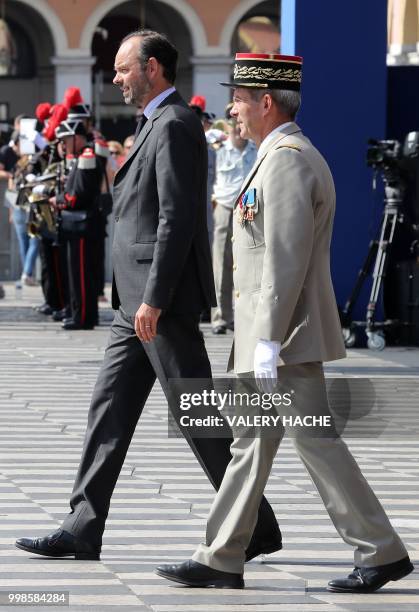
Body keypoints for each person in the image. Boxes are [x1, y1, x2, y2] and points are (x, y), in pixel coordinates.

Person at [15, 31, 281, 562]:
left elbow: (177, 218)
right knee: (108, 409)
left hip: (160, 303)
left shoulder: (177, 124)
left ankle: (255, 524)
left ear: (153, 69)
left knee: (196, 416)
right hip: (133, 302)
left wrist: (155, 299)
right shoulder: (156, 123)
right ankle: (82, 525)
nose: (116, 79)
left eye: (122, 69)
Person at [156, 52, 414, 592]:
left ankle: (380, 549)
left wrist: (269, 342)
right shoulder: (273, 156)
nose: (233, 110)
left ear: (266, 102)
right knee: (250, 441)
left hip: (285, 340)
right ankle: (221, 555)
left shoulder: (290, 160)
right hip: (270, 338)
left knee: (314, 442)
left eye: (240, 100)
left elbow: (285, 260)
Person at [53, 118, 103, 330]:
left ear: (76, 137)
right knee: (79, 272)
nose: (63, 145)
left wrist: (60, 200)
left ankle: (82, 317)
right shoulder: (82, 156)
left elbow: (79, 195)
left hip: (82, 224)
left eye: (66, 140)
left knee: (80, 274)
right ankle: (85, 315)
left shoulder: (87, 156)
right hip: (79, 225)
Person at [211, 103, 256, 335]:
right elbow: (209, 178)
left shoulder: (255, 149)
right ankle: (220, 316)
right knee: (221, 262)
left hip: (247, 206)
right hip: (224, 205)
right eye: (234, 124)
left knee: (247, 259)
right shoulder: (218, 150)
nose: (239, 128)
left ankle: (243, 315)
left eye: (240, 123)